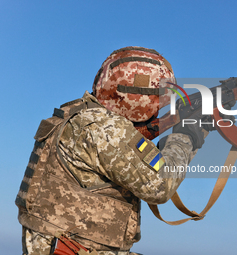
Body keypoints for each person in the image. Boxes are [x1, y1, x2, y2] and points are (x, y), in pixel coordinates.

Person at [15, 46, 205, 255]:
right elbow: (160, 184)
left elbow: (140, 163)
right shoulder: (104, 128)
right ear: (139, 98)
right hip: (74, 249)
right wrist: (187, 136)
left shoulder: (80, 116)